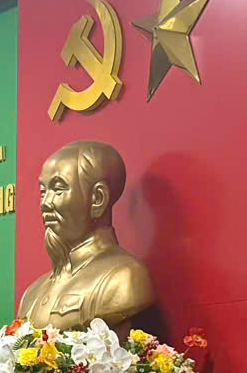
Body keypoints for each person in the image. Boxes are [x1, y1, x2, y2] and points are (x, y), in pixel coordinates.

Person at [17, 141, 160, 335]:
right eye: (43, 191)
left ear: (97, 199)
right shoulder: (31, 295)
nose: (45, 203)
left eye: (58, 190)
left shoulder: (124, 278)